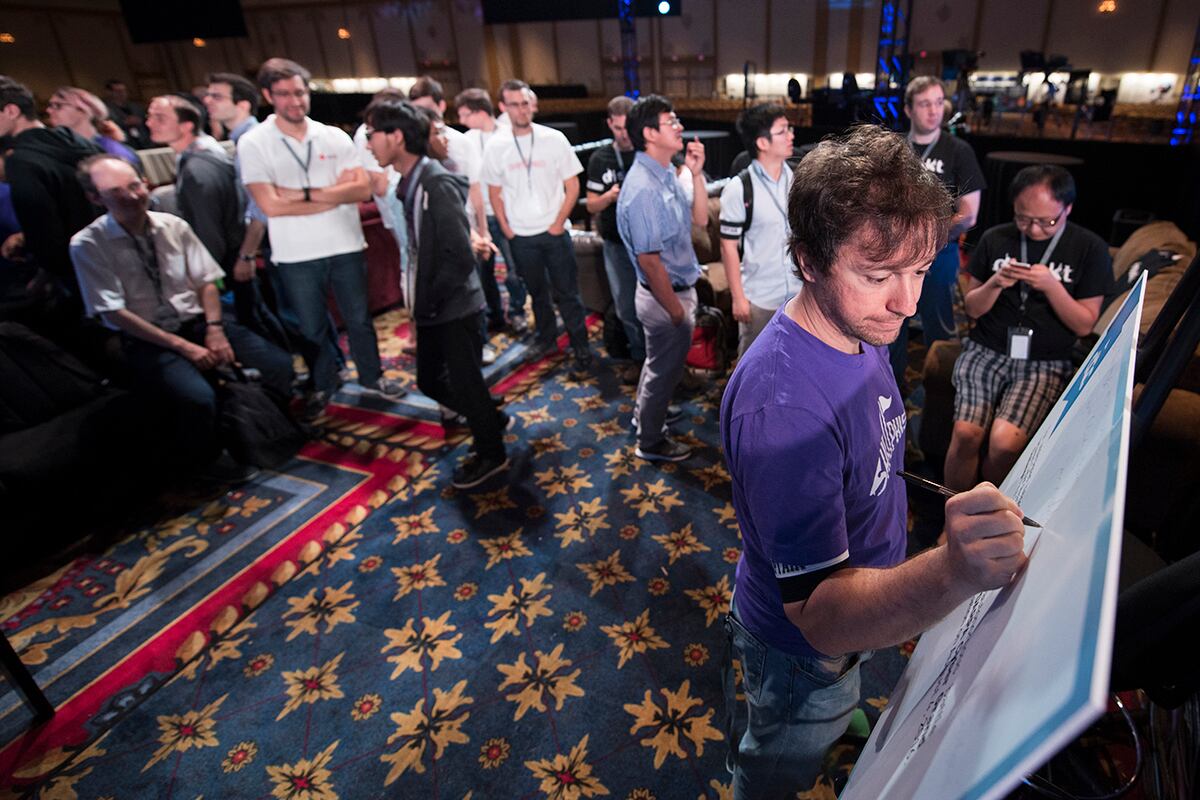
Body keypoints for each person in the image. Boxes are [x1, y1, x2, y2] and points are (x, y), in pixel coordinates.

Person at [720, 125, 1028, 797]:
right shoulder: (783, 414)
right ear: (808, 260)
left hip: (860, 613)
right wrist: (952, 570)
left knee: (837, 707)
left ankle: (839, 717)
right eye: (879, 275)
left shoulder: (859, 324)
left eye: (918, 271)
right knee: (777, 765)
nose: (906, 302)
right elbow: (821, 613)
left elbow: (869, 454)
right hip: (804, 653)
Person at [69, 154, 293, 472]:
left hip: (198, 323)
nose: (132, 196)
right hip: (148, 338)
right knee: (197, 397)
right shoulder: (88, 244)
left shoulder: (173, 225)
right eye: (116, 192)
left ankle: (263, 427)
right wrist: (185, 348)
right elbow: (113, 312)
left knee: (279, 365)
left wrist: (215, 329)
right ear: (95, 198)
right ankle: (207, 461)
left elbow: (207, 281)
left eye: (135, 186)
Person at [237, 57, 405, 417]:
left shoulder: (332, 135)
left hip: (345, 243)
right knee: (311, 327)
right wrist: (332, 193)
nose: (295, 101)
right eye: (284, 94)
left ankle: (372, 378)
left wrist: (299, 195)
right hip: (295, 253)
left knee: (359, 320)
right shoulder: (254, 143)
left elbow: (361, 190)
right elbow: (270, 205)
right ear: (268, 96)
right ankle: (324, 383)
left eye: (300, 92)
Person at [364, 98, 510, 489]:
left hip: (453, 304)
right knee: (431, 380)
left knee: (464, 382)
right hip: (433, 304)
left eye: (371, 134)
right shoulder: (409, 182)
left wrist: (429, 298)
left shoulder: (434, 182)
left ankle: (492, 452)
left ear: (396, 137)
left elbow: (459, 257)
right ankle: (488, 418)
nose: (367, 144)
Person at [943, 165, 1112, 490]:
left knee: (1005, 443)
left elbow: (1084, 324)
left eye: (1046, 221)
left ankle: (988, 508)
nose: (1033, 229)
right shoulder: (996, 238)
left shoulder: (1089, 248)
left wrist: (1052, 286)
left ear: (1067, 209)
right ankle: (953, 508)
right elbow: (973, 308)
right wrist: (995, 283)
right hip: (986, 348)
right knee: (965, 434)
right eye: (1023, 218)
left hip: (1045, 361)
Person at [616, 94, 707, 462]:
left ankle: (646, 414)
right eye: (672, 122)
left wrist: (696, 174)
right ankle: (651, 441)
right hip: (664, 297)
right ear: (649, 133)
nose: (679, 127)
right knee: (662, 372)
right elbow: (649, 262)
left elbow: (700, 219)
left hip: (675, 291)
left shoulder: (667, 172)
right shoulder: (644, 187)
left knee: (658, 367)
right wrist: (676, 312)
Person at [482, 79, 592, 367]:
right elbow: (494, 192)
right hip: (520, 235)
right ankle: (546, 339)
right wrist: (507, 229)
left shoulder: (554, 139)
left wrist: (559, 222)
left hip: (554, 232)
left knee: (568, 293)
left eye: (525, 103)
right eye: (515, 105)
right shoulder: (496, 146)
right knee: (537, 294)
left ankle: (581, 347)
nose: (522, 110)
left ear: (533, 104)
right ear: (503, 107)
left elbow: (573, 185)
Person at [888, 76, 985, 387]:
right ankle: (891, 389)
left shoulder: (958, 150)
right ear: (908, 109)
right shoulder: (895, 150)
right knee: (891, 324)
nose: (933, 111)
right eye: (924, 104)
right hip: (895, 254)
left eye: (938, 103)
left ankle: (938, 395)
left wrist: (926, 235)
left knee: (939, 325)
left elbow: (969, 214)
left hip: (939, 253)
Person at [0, 75, 102, 312]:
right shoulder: (78, 142)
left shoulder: (22, 160)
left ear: (12, 111)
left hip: (76, 274)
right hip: (110, 254)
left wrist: (44, 275)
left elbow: (44, 230)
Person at [719, 102, 804, 356]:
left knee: (796, 364)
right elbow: (728, 247)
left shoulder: (798, 179)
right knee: (754, 365)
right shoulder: (739, 188)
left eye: (789, 129)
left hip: (799, 295)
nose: (791, 136)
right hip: (761, 297)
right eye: (782, 131)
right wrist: (738, 298)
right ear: (762, 142)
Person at [457, 87, 528, 336]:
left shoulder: (508, 134)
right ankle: (493, 314)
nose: (461, 120)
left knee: (514, 268)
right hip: (478, 215)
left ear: (479, 112)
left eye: (465, 114)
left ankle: (517, 311)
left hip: (507, 212)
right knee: (483, 272)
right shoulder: (466, 140)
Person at [586, 95, 644, 380]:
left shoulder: (647, 150)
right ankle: (639, 357)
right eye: (619, 128)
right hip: (617, 245)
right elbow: (591, 205)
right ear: (610, 124)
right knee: (627, 306)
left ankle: (666, 361)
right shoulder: (601, 158)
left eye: (628, 127)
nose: (625, 134)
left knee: (658, 305)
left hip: (648, 244)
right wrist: (609, 196)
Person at [46, 87, 142, 170]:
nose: (49, 110)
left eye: (58, 106)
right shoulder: (55, 147)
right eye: (50, 105)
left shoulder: (112, 149)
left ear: (84, 110)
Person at [103, 79, 149, 147]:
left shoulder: (136, 107)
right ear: (109, 92)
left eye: (124, 90)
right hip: (122, 144)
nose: (122, 93)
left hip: (144, 142)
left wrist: (141, 120)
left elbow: (146, 121)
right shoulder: (105, 109)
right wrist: (124, 123)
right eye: (118, 91)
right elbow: (104, 126)